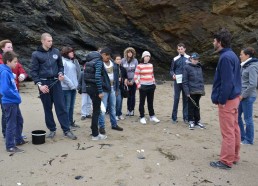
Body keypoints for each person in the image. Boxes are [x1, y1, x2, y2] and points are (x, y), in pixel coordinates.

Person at [30, 33, 77, 140]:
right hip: (44, 84)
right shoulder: (36, 54)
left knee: (61, 106)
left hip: (56, 83)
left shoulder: (56, 52)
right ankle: (52, 129)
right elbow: (33, 71)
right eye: (48, 41)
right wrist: (40, 85)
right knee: (47, 108)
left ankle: (66, 130)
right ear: (42, 41)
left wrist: (61, 73)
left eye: (51, 41)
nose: (50, 43)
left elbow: (61, 66)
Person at [210, 28, 241, 170]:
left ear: (220, 42)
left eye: (214, 40)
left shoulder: (225, 57)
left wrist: (222, 101)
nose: (213, 42)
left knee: (228, 131)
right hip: (234, 98)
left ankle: (225, 161)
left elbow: (227, 82)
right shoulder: (232, 55)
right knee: (234, 128)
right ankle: (234, 156)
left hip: (228, 101)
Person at [0, 51, 27, 153]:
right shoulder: (4, 72)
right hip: (9, 102)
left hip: (14, 101)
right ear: (8, 61)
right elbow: (5, 90)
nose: (16, 64)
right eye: (15, 62)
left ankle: (19, 139)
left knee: (19, 120)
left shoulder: (9, 71)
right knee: (11, 124)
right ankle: (10, 146)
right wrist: (16, 96)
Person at [98, 48, 123, 135]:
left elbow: (116, 77)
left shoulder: (113, 64)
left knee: (113, 108)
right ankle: (101, 127)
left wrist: (116, 89)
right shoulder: (99, 64)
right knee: (103, 109)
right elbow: (99, 78)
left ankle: (114, 124)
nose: (106, 57)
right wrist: (101, 89)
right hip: (104, 90)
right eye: (105, 55)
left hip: (112, 89)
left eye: (107, 55)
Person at [83, 51, 107, 140]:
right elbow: (97, 77)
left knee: (95, 110)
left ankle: (94, 130)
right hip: (95, 88)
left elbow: (84, 76)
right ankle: (95, 134)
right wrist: (100, 91)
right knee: (96, 111)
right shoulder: (98, 62)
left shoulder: (88, 63)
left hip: (89, 87)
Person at [238, 47, 258, 145]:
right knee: (237, 116)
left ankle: (249, 140)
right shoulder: (245, 65)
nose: (240, 56)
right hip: (242, 95)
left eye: (241, 54)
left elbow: (253, 84)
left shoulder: (252, 66)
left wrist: (243, 95)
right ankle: (242, 136)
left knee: (248, 118)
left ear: (247, 55)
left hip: (248, 96)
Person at [134, 51, 160, 124]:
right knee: (142, 102)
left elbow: (152, 75)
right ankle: (142, 116)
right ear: (143, 57)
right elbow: (135, 77)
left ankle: (152, 116)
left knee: (150, 102)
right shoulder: (139, 66)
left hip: (151, 86)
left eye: (149, 56)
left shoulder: (151, 65)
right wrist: (139, 86)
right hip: (143, 86)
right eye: (146, 56)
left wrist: (154, 84)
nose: (148, 57)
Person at [182, 52, 205, 130]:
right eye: (194, 59)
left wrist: (202, 90)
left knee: (197, 106)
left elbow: (201, 79)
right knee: (191, 106)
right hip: (191, 90)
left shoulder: (199, 67)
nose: (195, 61)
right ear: (191, 59)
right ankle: (191, 121)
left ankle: (197, 121)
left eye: (197, 59)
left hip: (199, 90)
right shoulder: (186, 67)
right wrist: (187, 92)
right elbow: (184, 81)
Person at [60, 46, 81, 130]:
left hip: (73, 88)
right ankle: (66, 124)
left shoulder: (72, 61)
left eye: (73, 52)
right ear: (66, 53)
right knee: (67, 107)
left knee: (71, 106)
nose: (73, 53)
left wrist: (75, 85)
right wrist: (71, 85)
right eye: (71, 52)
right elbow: (63, 75)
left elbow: (77, 73)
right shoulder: (63, 61)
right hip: (66, 88)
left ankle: (71, 122)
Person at [170, 43, 189, 124]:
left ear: (184, 49)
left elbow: (191, 69)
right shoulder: (175, 59)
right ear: (177, 50)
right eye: (179, 49)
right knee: (176, 99)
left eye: (182, 49)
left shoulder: (188, 58)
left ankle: (186, 117)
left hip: (185, 82)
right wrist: (173, 75)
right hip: (177, 81)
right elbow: (171, 70)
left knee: (186, 99)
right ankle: (174, 118)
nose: (180, 50)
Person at [121, 47, 138, 116]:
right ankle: (128, 109)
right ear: (126, 53)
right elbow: (121, 71)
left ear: (133, 53)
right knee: (128, 95)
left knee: (133, 95)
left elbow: (137, 71)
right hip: (125, 81)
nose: (130, 53)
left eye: (131, 52)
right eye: (128, 52)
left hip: (133, 81)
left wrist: (133, 81)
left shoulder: (135, 61)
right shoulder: (123, 60)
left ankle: (132, 110)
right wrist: (125, 80)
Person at [113, 53, 128, 121]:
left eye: (120, 59)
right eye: (117, 59)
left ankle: (119, 113)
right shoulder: (113, 68)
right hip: (115, 86)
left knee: (120, 101)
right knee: (117, 101)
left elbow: (126, 77)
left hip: (121, 86)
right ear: (114, 60)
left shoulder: (123, 69)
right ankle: (116, 114)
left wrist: (124, 79)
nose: (119, 60)